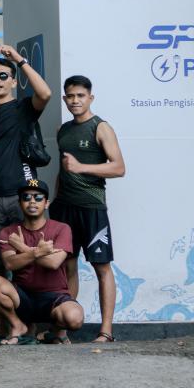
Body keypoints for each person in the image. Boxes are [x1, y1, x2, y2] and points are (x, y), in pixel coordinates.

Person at [46, 75, 126, 344]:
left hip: (91, 207)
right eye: (70, 96)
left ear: (90, 98)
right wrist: (55, 199)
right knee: (67, 266)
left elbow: (119, 167)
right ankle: (61, 331)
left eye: (80, 96)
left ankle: (106, 332)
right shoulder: (63, 130)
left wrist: (82, 167)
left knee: (102, 267)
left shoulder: (101, 127)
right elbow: (63, 170)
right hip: (64, 208)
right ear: (64, 99)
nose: (75, 100)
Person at [0, 45, 52, 282]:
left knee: (27, 260)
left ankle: (25, 304)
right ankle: (2, 306)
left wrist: (19, 59)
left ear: (13, 82)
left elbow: (45, 94)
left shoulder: (22, 108)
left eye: (3, 75)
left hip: (22, 195)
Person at [0, 179, 85, 345]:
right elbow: (10, 264)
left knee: (75, 318)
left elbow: (53, 263)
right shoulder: (9, 232)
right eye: (26, 197)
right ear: (20, 203)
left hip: (54, 297)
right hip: (22, 297)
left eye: (38, 198)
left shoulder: (61, 229)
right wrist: (39, 252)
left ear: (46, 203)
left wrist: (22, 248)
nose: (32, 201)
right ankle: (18, 325)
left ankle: (54, 332)